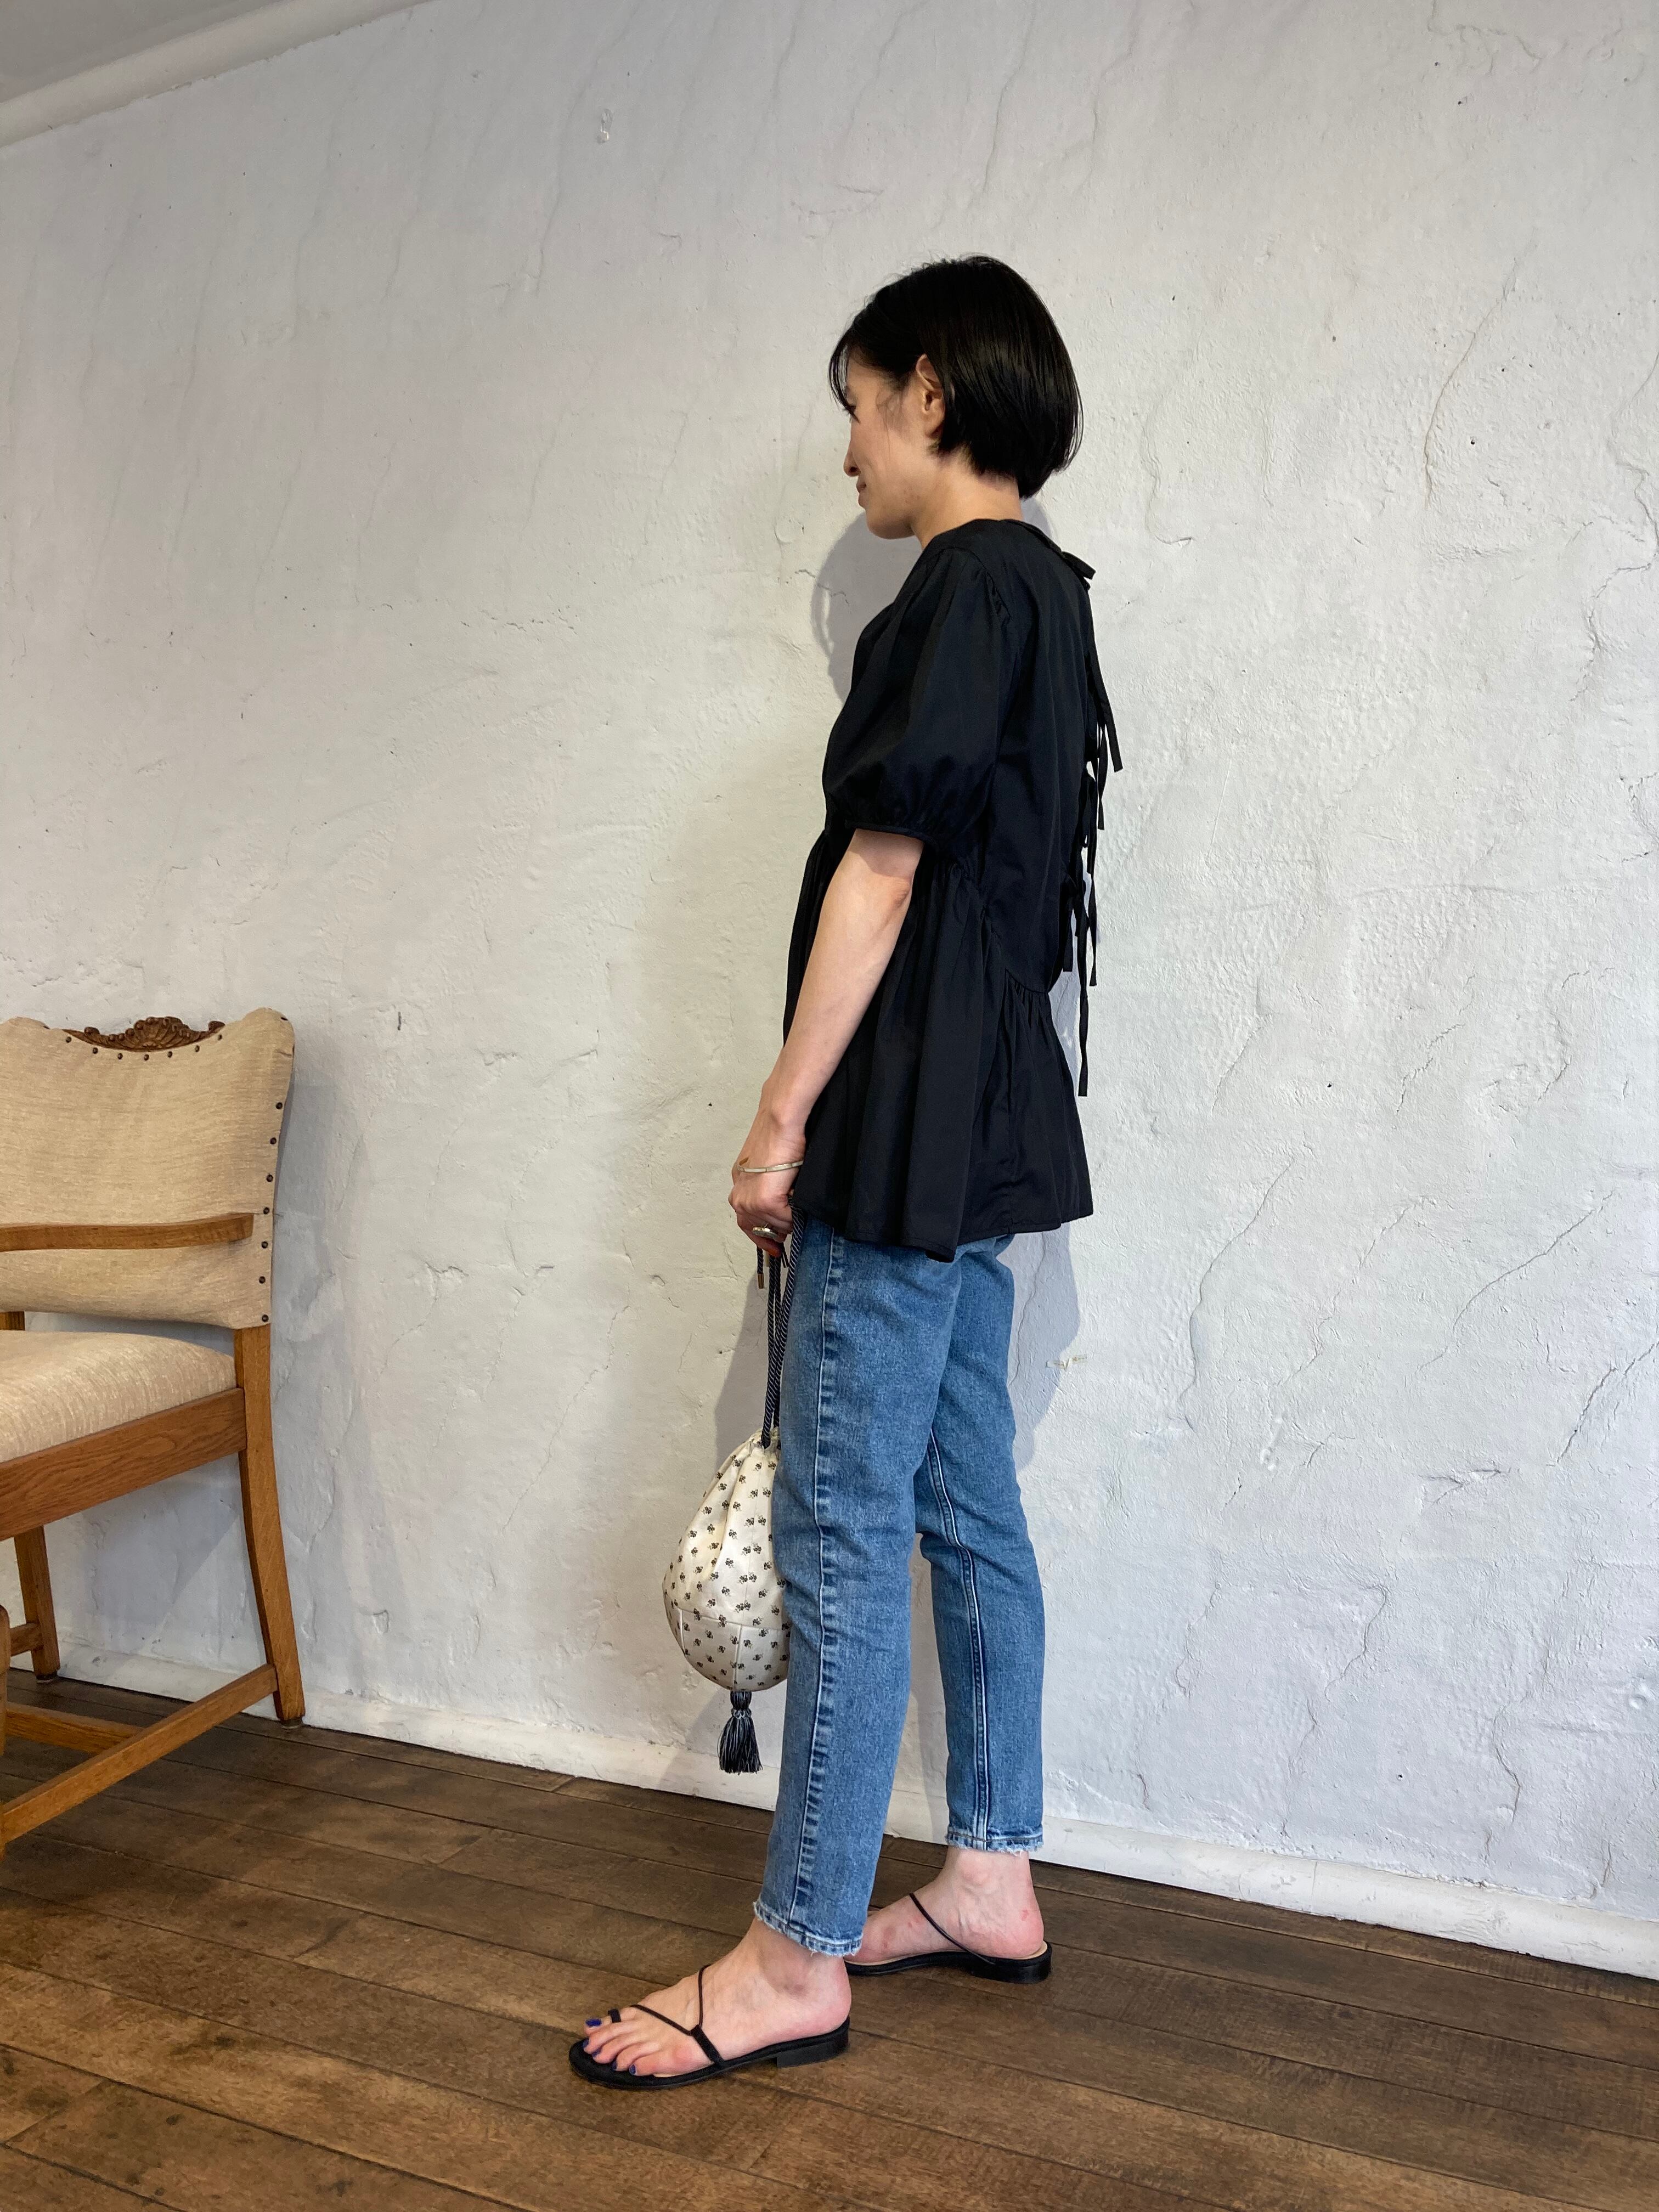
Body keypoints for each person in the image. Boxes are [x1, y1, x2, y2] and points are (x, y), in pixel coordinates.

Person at [573, 255, 1119, 2089]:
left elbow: (884, 876)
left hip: (903, 1125)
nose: (850, 455)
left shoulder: (960, 586)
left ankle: (795, 1953)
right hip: (989, 1124)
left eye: (862, 410)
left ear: (933, 397)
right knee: (966, 1502)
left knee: (841, 1527)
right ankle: (991, 1876)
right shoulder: (1053, 596)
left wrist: (781, 1115)